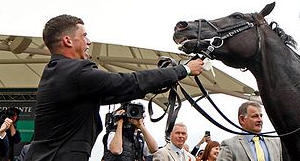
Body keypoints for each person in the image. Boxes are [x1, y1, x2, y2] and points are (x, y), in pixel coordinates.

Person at [26, 14, 204, 160]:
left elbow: (121, 91)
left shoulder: (58, 72)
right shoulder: (75, 71)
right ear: (68, 41)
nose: (88, 41)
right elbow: (127, 83)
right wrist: (184, 69)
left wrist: (161, 81)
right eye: (84, 35)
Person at [216, 102, 281, 161]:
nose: (260, 120)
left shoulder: (276, 143)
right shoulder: (229, 145)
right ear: (242, 119)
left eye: (261, 116)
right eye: (255, 116)